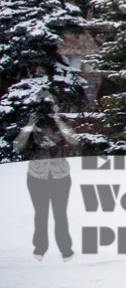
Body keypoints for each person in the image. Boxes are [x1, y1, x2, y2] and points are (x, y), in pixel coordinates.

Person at [14, 96, 78, 261]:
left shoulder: (61, 124)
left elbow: (74, 141)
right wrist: (29, 124)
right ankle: (40, 248)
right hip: (37, 176)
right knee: (41, 214)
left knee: (60, 214)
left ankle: (66, 250)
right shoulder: (33, 127)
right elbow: (17, 146)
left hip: (60, 176)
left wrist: (58, 120)